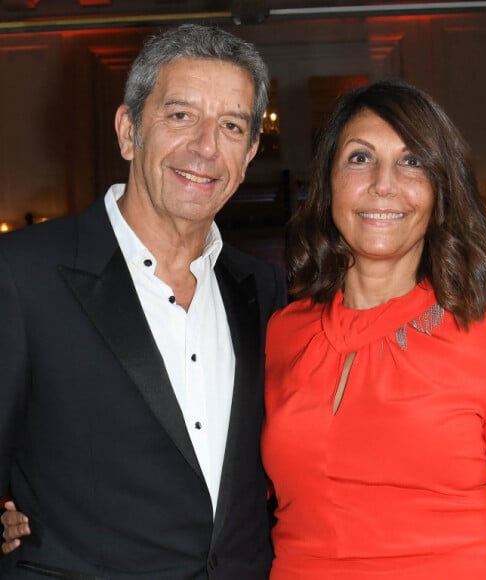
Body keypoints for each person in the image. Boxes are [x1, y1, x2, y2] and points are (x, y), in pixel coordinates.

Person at [0, 23, 285, 579]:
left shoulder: (263, 289)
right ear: (129, 131)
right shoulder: (20, 274)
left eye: (230, 126)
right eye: (181, 116)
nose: (206, 146)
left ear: (249, 153)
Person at [260, 79, 486, 579]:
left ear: (439, 189)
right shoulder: (284, 332)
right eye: (360, 159)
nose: (384, 184)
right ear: (328, 183)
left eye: (412, 162)